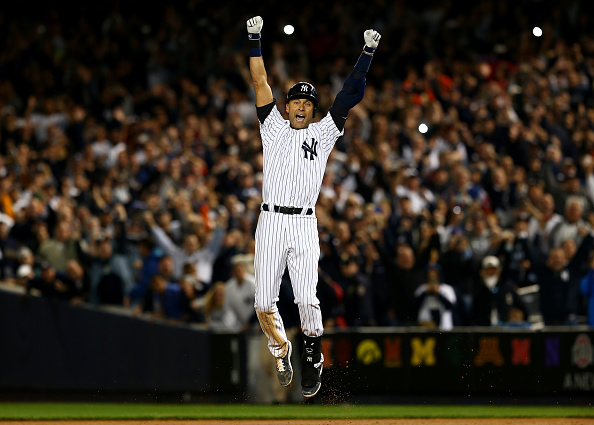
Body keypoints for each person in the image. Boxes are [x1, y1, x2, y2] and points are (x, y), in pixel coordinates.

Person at [246, 15, 380, 398]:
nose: (301, 105)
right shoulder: (271, 126)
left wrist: (366, 54)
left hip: (303, 224)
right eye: (295, 100)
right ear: (286, 107)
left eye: (307, 101)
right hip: (270, 220)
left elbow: (349, 95)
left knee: (307, 298)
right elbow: (259, 81)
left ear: (312, 109)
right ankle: (281, 349)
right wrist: (255, 39)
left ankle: (312, 354)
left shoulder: (324, 133)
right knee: (262, 304)